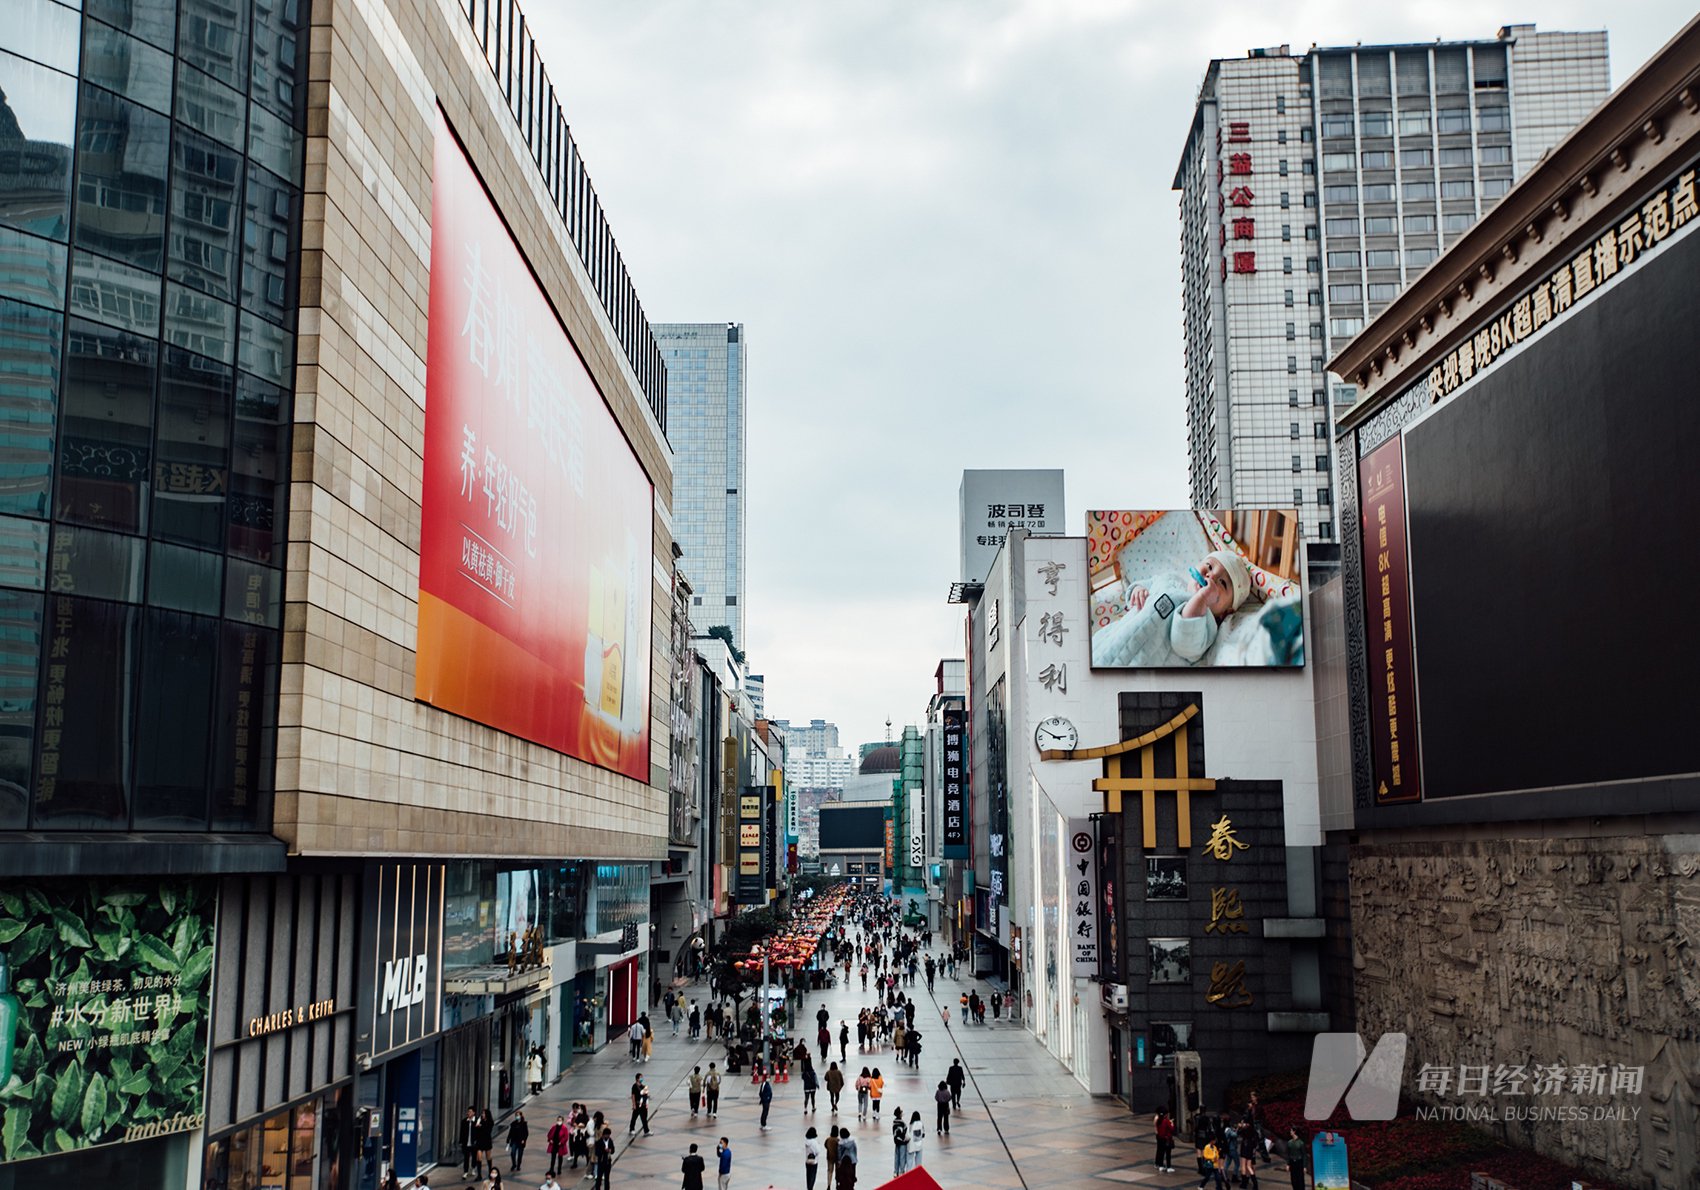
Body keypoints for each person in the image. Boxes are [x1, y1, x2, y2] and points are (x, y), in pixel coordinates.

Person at [1096, 549, 1253, 667]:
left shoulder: (1207, 624)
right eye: (1209, 566)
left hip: (1139, 662)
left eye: (1222, 582)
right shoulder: (1171, 579)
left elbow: (1184, 643)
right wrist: (1137, 590)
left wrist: (1202, 599)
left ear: (1225, 612)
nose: (1210, 576)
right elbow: (1148, 584)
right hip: (1114, 637)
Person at [460, 1107, 480, 1179]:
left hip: (474, 1143)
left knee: (474, 1156)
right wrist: (461, 1141)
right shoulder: (464, 1121)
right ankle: (465, 1171)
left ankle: (473, 1168)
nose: (469, 1113)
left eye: (470, 1112)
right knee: (466, 1157)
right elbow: (462, 1132)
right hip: (466, 1142)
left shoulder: (477, 1121)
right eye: (468, 1112)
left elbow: (479, 1132)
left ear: (474, 1113)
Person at [475, 1109, 495, 1181]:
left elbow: (488, 1130)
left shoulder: (490, 1122)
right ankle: (479, 1175)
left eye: (483, 1113)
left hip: (487, 1141)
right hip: (480, 1141)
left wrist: (480, 1126)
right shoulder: (480, 1120)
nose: (482, 1115)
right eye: (482, 1113)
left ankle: (490, 1171)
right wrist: (478, 1126)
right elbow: (477, 1129)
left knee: (488, 1157)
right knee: (479, 1157)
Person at [1154, 1109, 1176, 1173]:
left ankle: (1161, 1166)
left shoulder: (1158, 1120)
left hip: (1161, 1138)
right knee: (1168, 1154)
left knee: (1161, 1152)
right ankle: (1168, 1167)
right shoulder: (1166, 1121)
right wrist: (1171, 1123)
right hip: (1167, 1139)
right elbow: (1172, 1128)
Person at [803, 1126, 825, 1190]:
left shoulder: (807, 1141)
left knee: (808, 1175)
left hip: (807, 1160)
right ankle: (810, 1187)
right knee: (813, 1175)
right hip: (814, 1161)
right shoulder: (814, 1142)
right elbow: (818, 1151)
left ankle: (808, 1187)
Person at [890, 1109, 908, 1176]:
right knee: (902, 1157)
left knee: (896, 1157)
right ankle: (902, 1171)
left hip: (896, 1141)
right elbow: (905, 1130)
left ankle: (895, 1171)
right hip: (902, 1142)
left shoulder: (894, 1122)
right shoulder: (902, 1123)